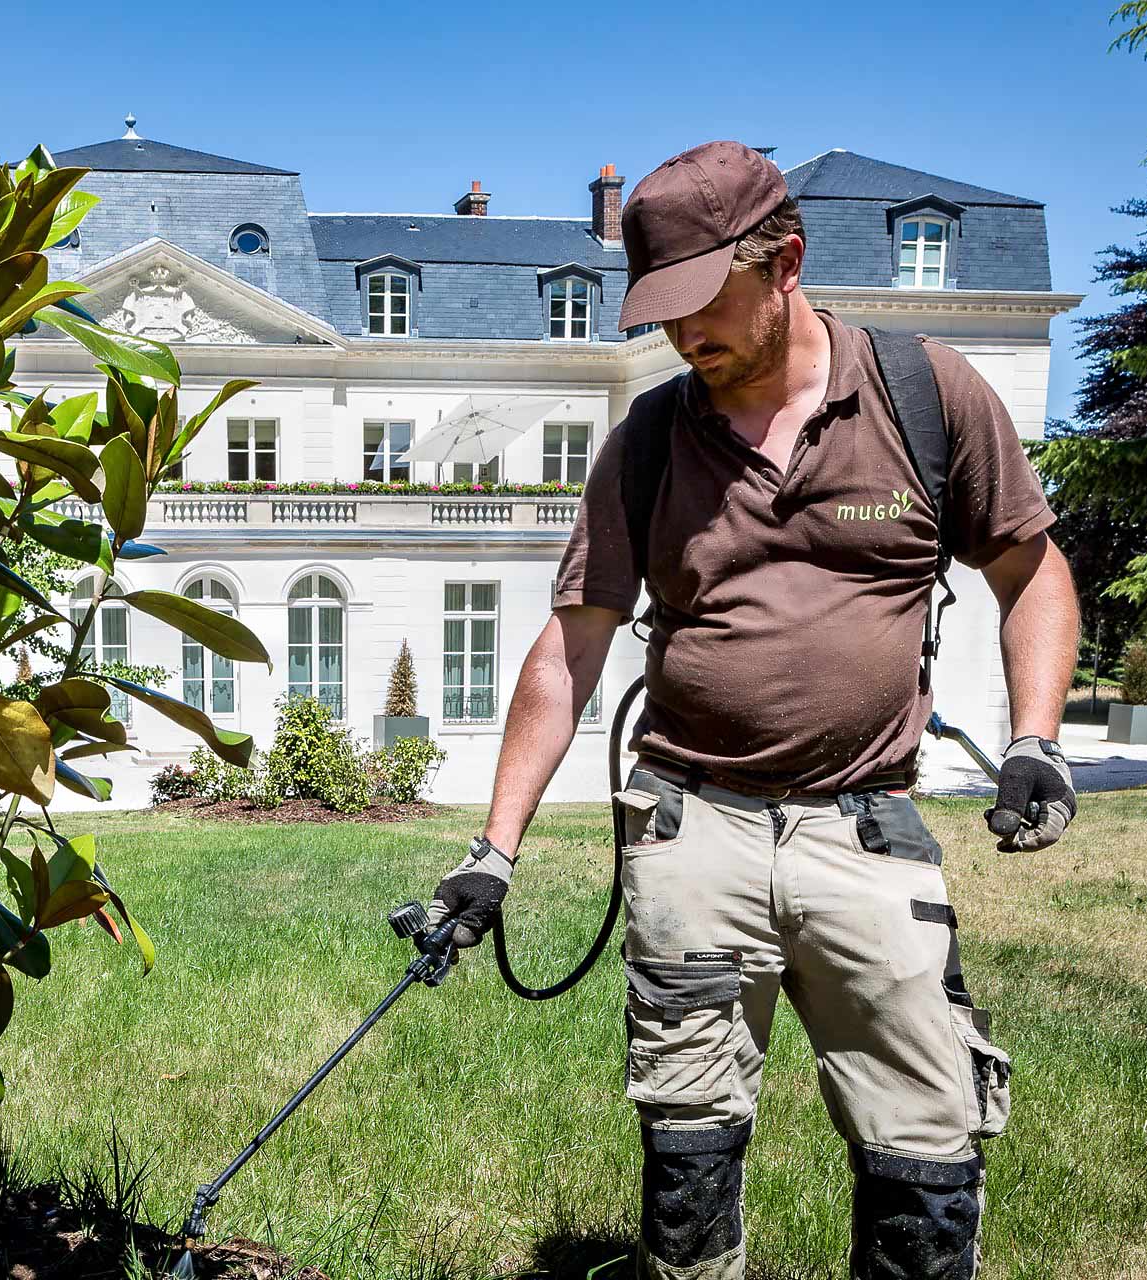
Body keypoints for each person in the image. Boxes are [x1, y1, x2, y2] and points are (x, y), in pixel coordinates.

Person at [426, 141, 1079, 1280]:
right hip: (692, 827)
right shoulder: (645, 445)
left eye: (702, 304)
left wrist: (1037, 738)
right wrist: (494, 850)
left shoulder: (926, 396)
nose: (683, 335)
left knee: (925, 1149)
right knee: (687, 1144)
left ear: (786, 262)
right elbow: (573, 639)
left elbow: (1031, 570)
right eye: (662, 312)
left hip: (866, 829)